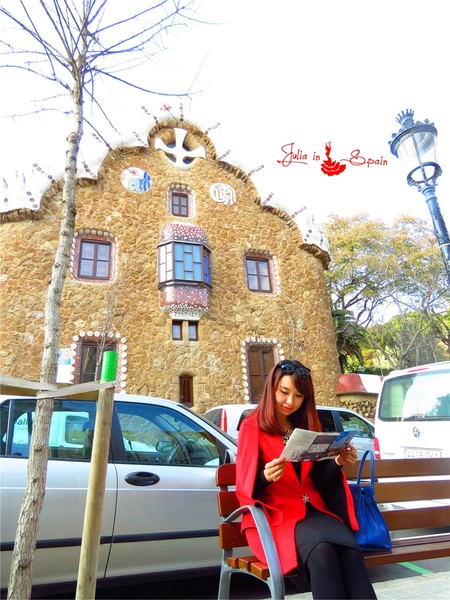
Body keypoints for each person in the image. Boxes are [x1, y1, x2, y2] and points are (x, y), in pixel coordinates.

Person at [236, 359, 377, 599]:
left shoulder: (307, 425)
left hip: (315, 510)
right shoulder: (252, 427)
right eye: (284, 392)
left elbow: (317, 479)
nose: (290, 401)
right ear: (271, 388)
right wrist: (265, 477)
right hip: (277, 517)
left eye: (299, 396)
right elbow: (244, 486)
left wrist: (337, 463)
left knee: (351, 554)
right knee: (323, 553)